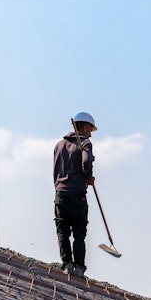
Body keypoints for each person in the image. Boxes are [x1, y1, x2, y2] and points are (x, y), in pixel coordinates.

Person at [53, 112, 96, 277]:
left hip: (60, 193)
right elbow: (86, 161)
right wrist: (88, 177)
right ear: (85, 127)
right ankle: (79, 267)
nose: (90, 134)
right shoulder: (85, 142)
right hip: (78, 194)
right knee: (79, 232)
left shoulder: (58, 145)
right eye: (90, 130)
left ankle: (67, 264)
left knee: (62, 230)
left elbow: (55, 171)